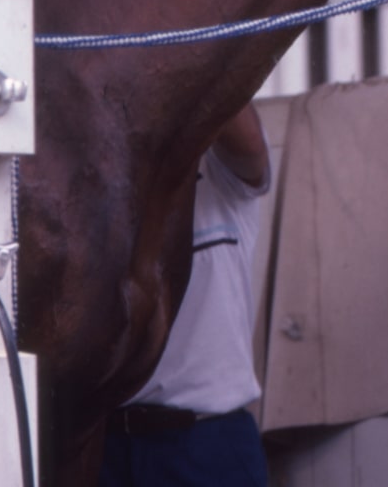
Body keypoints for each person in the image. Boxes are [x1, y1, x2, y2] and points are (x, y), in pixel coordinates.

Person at [102, 102, 271, 487]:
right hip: (108, 444)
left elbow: (250, 147)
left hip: (209, 443)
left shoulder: (222, 175)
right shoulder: (109, 176)